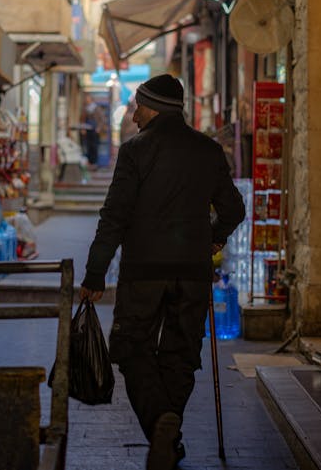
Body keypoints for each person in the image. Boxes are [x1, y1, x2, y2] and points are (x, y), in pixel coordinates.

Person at [79, 74, 245, 470]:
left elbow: (113, 217)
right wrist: (214, 239)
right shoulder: (208, 150)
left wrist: (94, 275)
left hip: (144, 272)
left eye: (137, 107)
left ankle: (159, 424)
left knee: (131, 347)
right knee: (181, 355)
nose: (134, 116)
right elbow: (234, 210)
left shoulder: (136, 151)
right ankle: (169, 434)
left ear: (152, 107)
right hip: (192, 272)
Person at [80, 94, 105, 169]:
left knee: (94, 146)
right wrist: (83, 129)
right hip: (87, 130)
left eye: (88, 99)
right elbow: (82, 119)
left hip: (95, 130)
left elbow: (102, 119)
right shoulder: (85, 109)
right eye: (86, 99)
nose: (87, 100)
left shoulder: (97, 108)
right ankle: (90, 162)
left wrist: (99, 128)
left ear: (91, 99)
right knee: (88, 146)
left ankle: (94, 163)